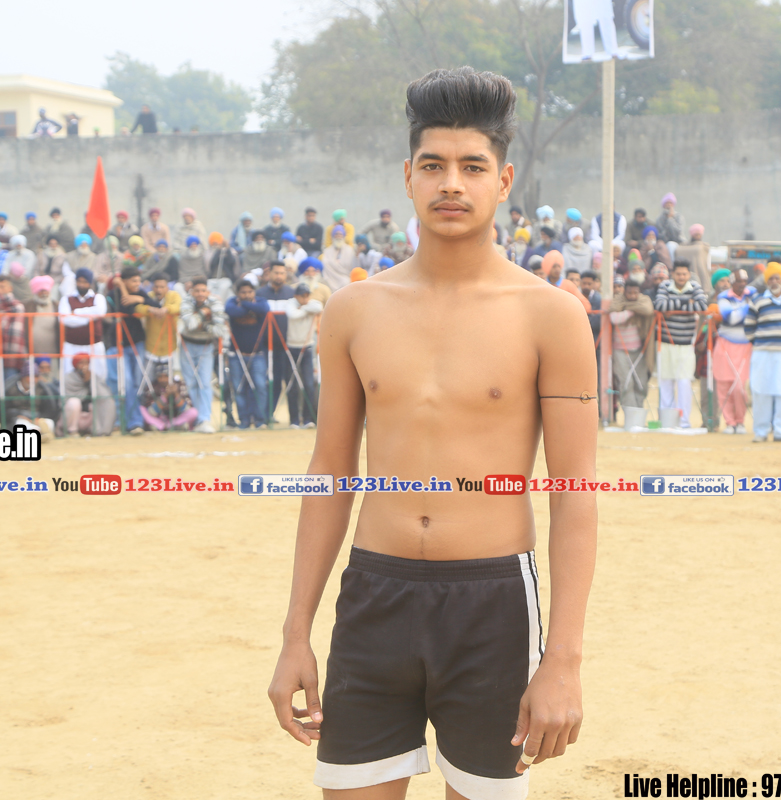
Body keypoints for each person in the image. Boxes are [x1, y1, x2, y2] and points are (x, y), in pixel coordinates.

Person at [267, 68, 595, 800]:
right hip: (374, 596)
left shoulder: (551, 315)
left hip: (492, 605)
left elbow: (575, 492)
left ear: (503, 181)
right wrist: (296, 633)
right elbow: (330, 472)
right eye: (434, 165)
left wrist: (564, 660)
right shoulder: (355, 310)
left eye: (472, 167)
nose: (452, 183)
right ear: (408, 177)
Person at [744, 262, 781, 443]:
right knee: (761, 391)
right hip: (763, 353)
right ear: (766, 281)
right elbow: (749, 327)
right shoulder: (758, 300)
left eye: (777, 278)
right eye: (771, 279)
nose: (774, 282)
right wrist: (762, 342)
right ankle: (761, 431)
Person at [653, 260, 706, 428]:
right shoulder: (664, 286)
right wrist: (687, 304)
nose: (681, 277)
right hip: (665, 342)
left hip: (686, 344)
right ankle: (667, 421)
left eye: (684, 274)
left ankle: (684, 421)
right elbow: (659, 305)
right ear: (673, 274)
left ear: (689, 274)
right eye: (678, 274)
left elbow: (702, 306)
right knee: (665, 380)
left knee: (684, 382)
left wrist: (673, 307)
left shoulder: (695, 287)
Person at [111, 267, 160, 436]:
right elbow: (127, 308)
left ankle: (137, 420)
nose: (138, 284)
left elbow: (156, 305)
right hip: (120, 344)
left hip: (137, 342)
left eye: (139, 280)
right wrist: (122, 289)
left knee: (138, 384)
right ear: (124, 281)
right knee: (127, 383)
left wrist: (139, 298)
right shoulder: (114, 294)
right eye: (133, 281)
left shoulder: (140, 293)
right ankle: (132, 422)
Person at [178, 278, 227, 433]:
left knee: (204, 383)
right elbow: (190, 325)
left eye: (203, 291)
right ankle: (195, 418)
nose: (200, 294)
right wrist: (204, 313)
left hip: (205, 346)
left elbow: (220, 331)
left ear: (208, 292)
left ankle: (204, 419)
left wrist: (202, 323)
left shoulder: (215, 303)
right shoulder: (186, 302)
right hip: (187, 345)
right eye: (197, 291)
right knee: (190, 383)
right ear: (192, 292)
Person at [713, 267, 755, 434]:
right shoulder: (723, 297)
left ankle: (740, 421)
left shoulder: (752, 293)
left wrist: (743, 308)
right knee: (724, 385)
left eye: (744, 281)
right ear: (732, 282)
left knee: (739, 387)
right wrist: (748, 306)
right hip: (725, 345)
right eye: (738, 281)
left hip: (745, 347)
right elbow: (730, 318)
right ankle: (730, 423)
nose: (742, 284)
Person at [224, 279, 270, 428]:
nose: (247, 295)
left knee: (260, 386)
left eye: (250, 292)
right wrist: (250, 307)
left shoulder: (261, 301)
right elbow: (232, 311)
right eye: (243, 293)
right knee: (239, 388)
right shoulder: (231, 302)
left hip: (258, 355)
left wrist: (244, 304)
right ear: (237, 293)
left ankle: (259, 420)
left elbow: (264, 309)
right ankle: (244, 420)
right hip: (236, 355)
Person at [608, 278, 655, 414]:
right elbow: (614, 317)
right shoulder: (617, 300)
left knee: (641, 383)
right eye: (630, 293)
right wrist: (632, 311)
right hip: (620, 350)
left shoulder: (643, 300)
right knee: (626, 383)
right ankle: (631, 414)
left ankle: (639, 413)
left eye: (635, 293)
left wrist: (626, 308)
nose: (633, 296)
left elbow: (647, 310)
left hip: (639, 350)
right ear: (625, 292)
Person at [257, 262, 296, 422]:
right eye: (276, 273)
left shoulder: (291, 293)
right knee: (262, 381)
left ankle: (269, 414)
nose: (279, 276)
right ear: (269, 274)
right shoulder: (260, 293)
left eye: (282, 273)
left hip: (285, 346)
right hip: (264, 346)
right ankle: (260, 415)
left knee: (279, 381)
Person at [283, 283, 322, 428]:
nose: (305, 299)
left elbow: (318, 307)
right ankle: (294, 420)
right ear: (296, 296)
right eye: (302, 296)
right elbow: (292, 315)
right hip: (291, 348)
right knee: (292, 385)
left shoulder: (311, 304)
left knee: (309, 385)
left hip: (307, 348)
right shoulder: (290, 303)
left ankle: (308, 419)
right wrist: (306, 309)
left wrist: (303, 308)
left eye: (307, 296)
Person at [59, 268, 108, 381]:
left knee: (98, 378)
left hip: (94, 345)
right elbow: (64, 320)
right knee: (70, 377)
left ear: (90, 283)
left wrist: (76, 313)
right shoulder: (66, 299)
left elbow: (100, 312)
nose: (81, 285)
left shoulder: (98, 298)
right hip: (71, 346)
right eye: (79, 281)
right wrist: (90, 318)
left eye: (85, 282)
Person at [63, 355, 116, 436]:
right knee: (74, 403)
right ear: (76, 364)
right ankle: (72, 431)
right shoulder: (68, 377)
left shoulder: (93, 377)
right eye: (81, 363)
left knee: (99, 404)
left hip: (88, 416)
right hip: (73, 416)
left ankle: (97, 431)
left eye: (86, 363)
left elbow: (103, 395)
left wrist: (89, 381)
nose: (84, 366)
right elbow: (65, 400)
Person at [139, 273, 182, 364]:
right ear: (152, 287)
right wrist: (150, 309)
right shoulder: (148, 296)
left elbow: (178, 306)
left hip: (169, 347)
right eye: (156, 287)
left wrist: (166, 309)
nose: (159, 290)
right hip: (151, 347)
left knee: (168, 372)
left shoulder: (174, 295)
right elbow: (138, 308)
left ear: (167, 287)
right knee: (148, 372)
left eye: (162, 287)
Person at [139, 364, 197, 431]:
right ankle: (163, 426)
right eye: (160, 377)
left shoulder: (180, 384)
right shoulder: (152, 386)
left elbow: (187, 409)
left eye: (166, 376)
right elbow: (151, 412)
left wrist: (176, 394)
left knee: (194, 412)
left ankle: (170, 426)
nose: (163, 380)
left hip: (176, 419)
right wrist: (165, 396)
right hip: (159, 419)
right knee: (141, 409)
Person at [28, 275, 59, 370]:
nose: (44, 293)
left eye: (46, 290)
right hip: (32, 354)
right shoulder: (27, 306)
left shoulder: (57, 306)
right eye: (41, 291)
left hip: (53, 355)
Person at [320, 226, 359, 292]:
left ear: (343, 236)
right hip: (330, 277)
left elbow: (353, 265)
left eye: (340, 234)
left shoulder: (349, 250)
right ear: (333, 236)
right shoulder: (327, 251)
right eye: (336, 234)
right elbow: (326, 265)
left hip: (344, 276)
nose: (338, 236)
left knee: (346, 282)